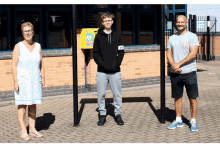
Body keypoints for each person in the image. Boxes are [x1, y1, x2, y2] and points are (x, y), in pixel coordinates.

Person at [12, 22, 45, 140]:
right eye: (25, 31)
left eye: (29, 30)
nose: (28, 33)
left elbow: (41, 63)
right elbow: (14, 65)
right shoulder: (18, 46)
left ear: (33, 31)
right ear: (22, 33)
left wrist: (43, 77)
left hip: (35, 80)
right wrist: (15, 81)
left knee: (33, 104)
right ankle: (23, 130)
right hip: (22, 81)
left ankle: (32, 129)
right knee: (22, 104)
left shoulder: (38, 46)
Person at [166, 15, 200, 131]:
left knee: (192, 98)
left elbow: (193, 54)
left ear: (186, 23)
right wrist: (173, 65)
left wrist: (178, 64)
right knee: (177, 97)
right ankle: (178, 120)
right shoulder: (171, 38)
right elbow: (169, 54)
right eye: (178, 22)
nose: (180, 24)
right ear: (176, 23)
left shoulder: (192, 36)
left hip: (189, 72)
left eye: (182, 22)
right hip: (176, 73)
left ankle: (193, 121)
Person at [93, 12, 125, 126]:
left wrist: (116, 64)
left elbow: (121, 52)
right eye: (105, 21)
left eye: (109, 20)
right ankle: (102, 114)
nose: (107, 22)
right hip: (102, 71)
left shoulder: (117, 36)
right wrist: (103, 65)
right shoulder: (98, 36)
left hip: (115, 71)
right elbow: (95, 53)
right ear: (102, 22)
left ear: (112, 22)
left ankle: (118, 114)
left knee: (117, 94)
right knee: (101, 94)